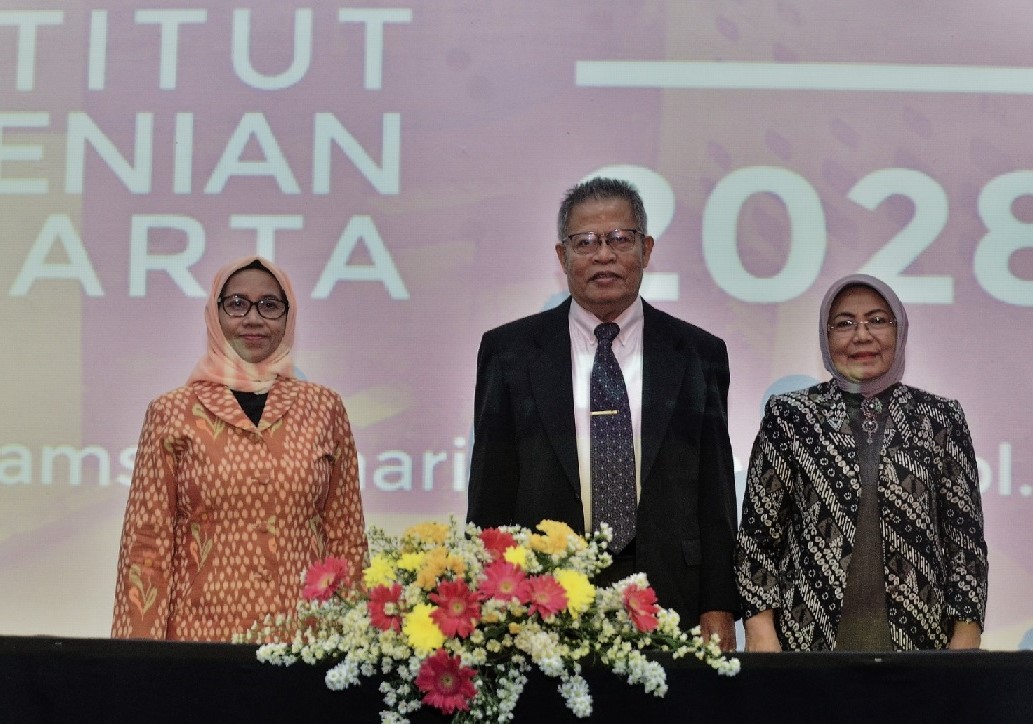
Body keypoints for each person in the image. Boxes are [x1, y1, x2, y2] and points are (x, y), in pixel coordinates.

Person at [467, 177, 739, 649]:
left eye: (620, 239)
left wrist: (718, 606)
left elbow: (715, 495)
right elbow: (491, 489)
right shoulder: (510, 352)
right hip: (543, 598)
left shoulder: (698, 353)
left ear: (647, 249)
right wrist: (488, 601)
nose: (604, 255)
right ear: (562, 257)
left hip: (671, 592)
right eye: (586, 242)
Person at [112, 256, 367, 641]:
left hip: (305, 641)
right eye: (236, 304)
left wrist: (359, 642)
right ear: (214, 315)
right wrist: (136, 666)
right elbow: (146, 548)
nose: (253, 318)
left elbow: (347, 538)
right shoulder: (171, 412)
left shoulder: (324, 408)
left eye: (269, 305)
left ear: (288, 316)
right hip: (200, 642)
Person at [736, 274, 988, 651]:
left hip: (921, 650)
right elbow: (758, 537)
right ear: (825, 336)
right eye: (844, 323)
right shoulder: (791, 416)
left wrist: (966, 635)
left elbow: (964, 541)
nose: (862, 336)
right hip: (807, 648)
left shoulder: (940, 419)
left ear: (899, 330)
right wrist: (761, 633)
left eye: (877, 320)